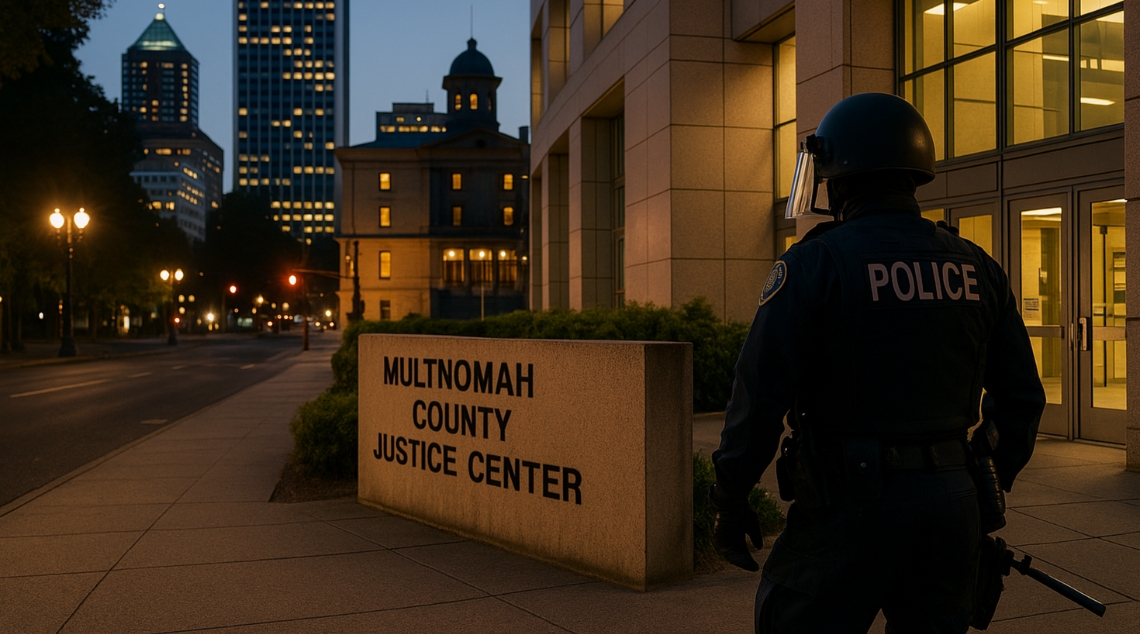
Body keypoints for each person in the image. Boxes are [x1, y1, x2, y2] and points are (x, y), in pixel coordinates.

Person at [710, 92, 1046, 633]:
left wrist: (730, 496)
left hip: (848, 507)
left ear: (839, 175)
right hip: (950, 510)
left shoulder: (816, 264)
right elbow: (1023, 397)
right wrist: (982, 473)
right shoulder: (976, 265)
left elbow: (758, 397)